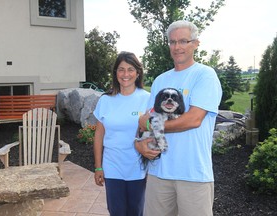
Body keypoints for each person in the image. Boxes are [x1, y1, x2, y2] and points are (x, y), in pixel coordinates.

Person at [135, 20, 222, 216]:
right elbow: (145, 121)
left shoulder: (205, 75)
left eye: (183, 41)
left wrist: (151, 123)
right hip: (159, 172)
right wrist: (138, 143)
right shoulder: (160, 80)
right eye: (172, 42)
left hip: (193, 174)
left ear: (195, 44)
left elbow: (193, 120)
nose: (177, 47)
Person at [93, 51, 150, 216]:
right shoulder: (105, 100)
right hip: (112, 166)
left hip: (138, 167)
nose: (126, 74)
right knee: (116, 212)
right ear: (115, 73)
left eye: (131, 69)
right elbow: (99, 136)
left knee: (136, 212)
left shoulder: (147, 99)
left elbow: (155, 132)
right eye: (121, 69)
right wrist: (98, 166)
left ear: (138, 73)